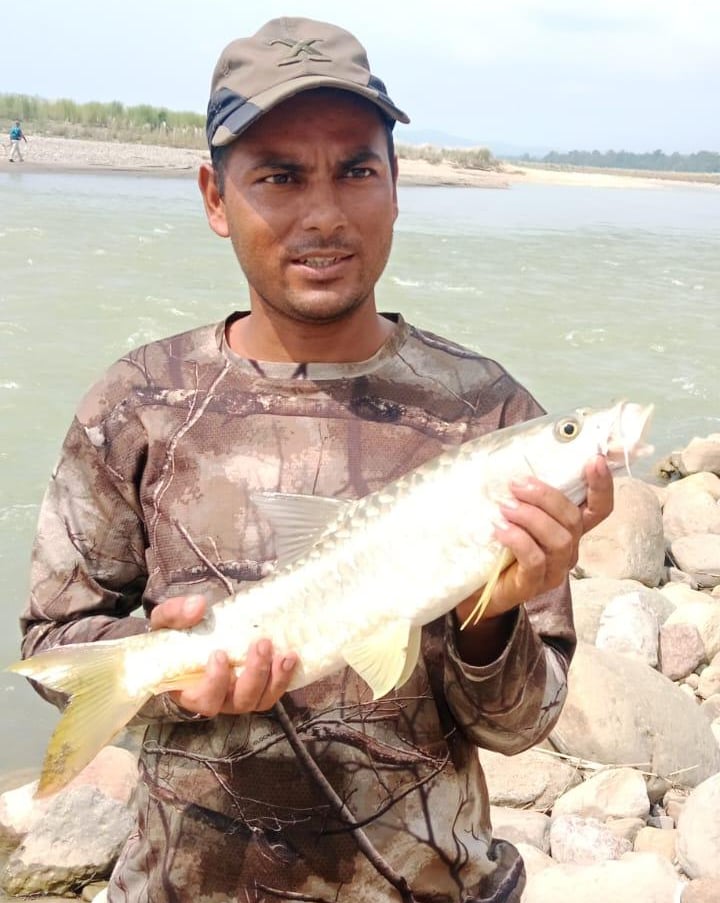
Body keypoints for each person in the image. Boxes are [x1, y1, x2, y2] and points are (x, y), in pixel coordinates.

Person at [20, 16, 613, 903]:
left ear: (398, 185)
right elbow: (51, 649)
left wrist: (493, 616)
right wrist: (166, 675)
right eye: (280, 177)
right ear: (215, 199)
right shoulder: (135, 403)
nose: (325, 213)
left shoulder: (489, 418)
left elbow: (524, 723)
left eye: (357, 170)